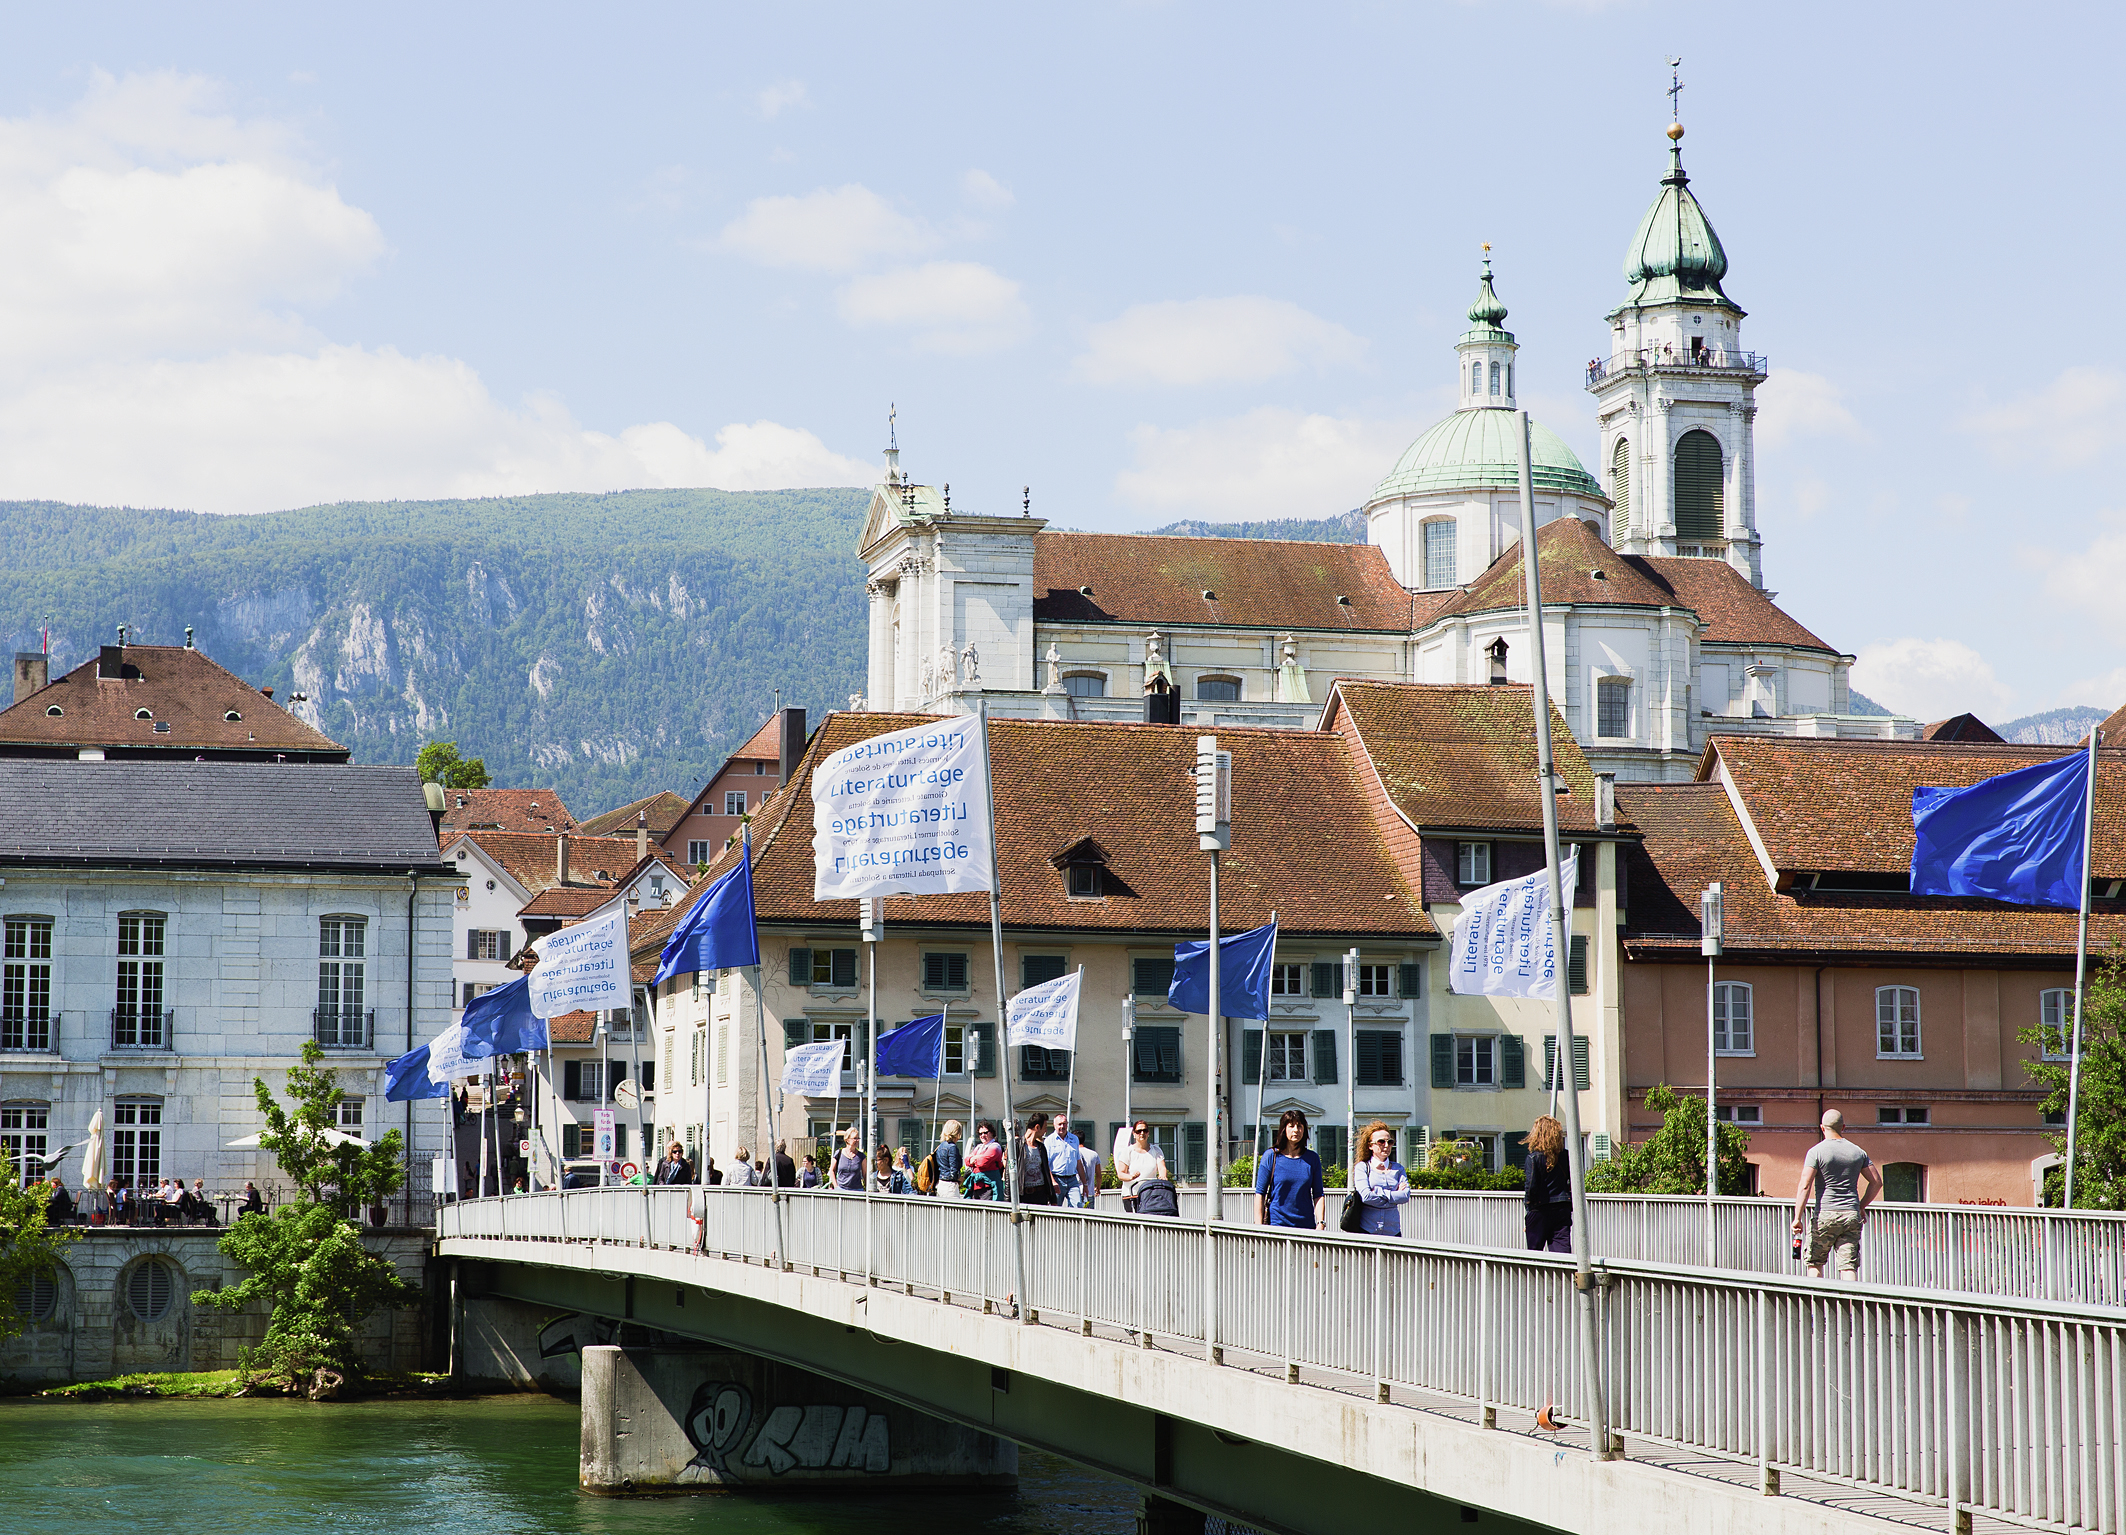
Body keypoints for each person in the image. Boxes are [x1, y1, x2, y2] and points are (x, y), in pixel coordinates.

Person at [1792, 1108, 1882, 1281]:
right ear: (1843, 1127)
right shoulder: (1858, 1152)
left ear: (1822, 1128)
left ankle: (1816, 1304)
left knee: (1815, 1262)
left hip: (1825, 1215)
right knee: (1848, 1266)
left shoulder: (1816, 1152)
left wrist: (1797, 1217)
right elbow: (1876, 1182)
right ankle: (1850, 1306)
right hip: (1851, 1215)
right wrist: (1861, 1206)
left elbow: (1805, 1185)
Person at [1255, 1109, 1325, 1230]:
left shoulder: (1312, 1158)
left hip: (1306, 1226)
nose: (1296, 1130)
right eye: (1291, 1126)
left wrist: (1320, 1223)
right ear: (1283, 1129)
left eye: (1299, 1126)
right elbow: (1260, 1194)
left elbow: (1318, 1194)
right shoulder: (1271, 1157)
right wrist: (1258, 1227)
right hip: (1277, 1225)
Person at [1523, 1115, 1574, 1252]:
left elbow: (1531, 1187)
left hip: (1539, 1209)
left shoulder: (1533, 1158)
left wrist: (1529, 1209)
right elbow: (1573, 1182)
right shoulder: (1566, 1156)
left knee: (1535, 1255)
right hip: (1562, 1208)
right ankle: (1562, 1274)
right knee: (1561, 1252)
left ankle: (1537, 1275)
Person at [1352, 1121, 1411, 1237]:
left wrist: (1378, 1192)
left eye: (1390, 1142)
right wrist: (1394, 1196)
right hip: (1368, 1230)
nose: (1386, 1145)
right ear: (1370, 1146)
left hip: (1393, 1231)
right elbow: (1366, 1196)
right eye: (1381, 1142)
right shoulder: (1362, 1167)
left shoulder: (1398, 1168)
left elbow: (1405, 1196)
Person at [1117, 1121, 1168, 1213]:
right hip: (1132, 1195)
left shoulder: (1156, 1150)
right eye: (1138, 1131)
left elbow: (1162, 1167)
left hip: (1150, 1194)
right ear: (1134, 1134)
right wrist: (1131, 1177)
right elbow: (1120, 1174)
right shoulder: (1128, 1151)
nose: (1142, 1133)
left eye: (1145, 1130)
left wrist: (1162, 1176)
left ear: (1148, 1133)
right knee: (1135, 1223)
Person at [1043, 1115, 1084, 1208]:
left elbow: (1078, 1162)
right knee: (1055, 1209)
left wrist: (1085, 1183)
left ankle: (1074, 1223)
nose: (1062, 1126)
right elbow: (1046, 1165)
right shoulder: (1049, 1141)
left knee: (1078, 1208)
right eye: (1059, 1124)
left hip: (1072, 1180)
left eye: (1064, 1124)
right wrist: (1052, 1182)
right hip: (1057, 1179)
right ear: (1054, 1125)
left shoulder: (1074, 1139)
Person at [1019, 1117, 1059, 1206]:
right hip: (1023, 1196)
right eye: (1045, 1127)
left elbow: (1046, 1172)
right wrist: (1008, 1200)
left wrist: (1053, 1199)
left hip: (1040, 1194)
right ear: (1037, 1127)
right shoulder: (1017, 1146)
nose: (1045, 1131)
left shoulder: (1041, 1147)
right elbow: (1009, 1174)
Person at [964, 1122, 1004, 1200]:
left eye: (985, 1132)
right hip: (975, 1186)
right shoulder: (978, 1147)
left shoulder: (995, 1146)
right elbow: (967, 1161)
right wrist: (978, 1157)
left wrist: (974, 1158)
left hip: (989, 1187)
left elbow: (983, 1162)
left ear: (991, 1133)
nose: (982, 1135)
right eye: (980, 1134)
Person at [933, 1121, 965, 1200]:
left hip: (940, 1184)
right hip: (950, 1186)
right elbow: (953, 1172)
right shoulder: (952, 1147)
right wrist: (962, 1178)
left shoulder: (940, 1146)